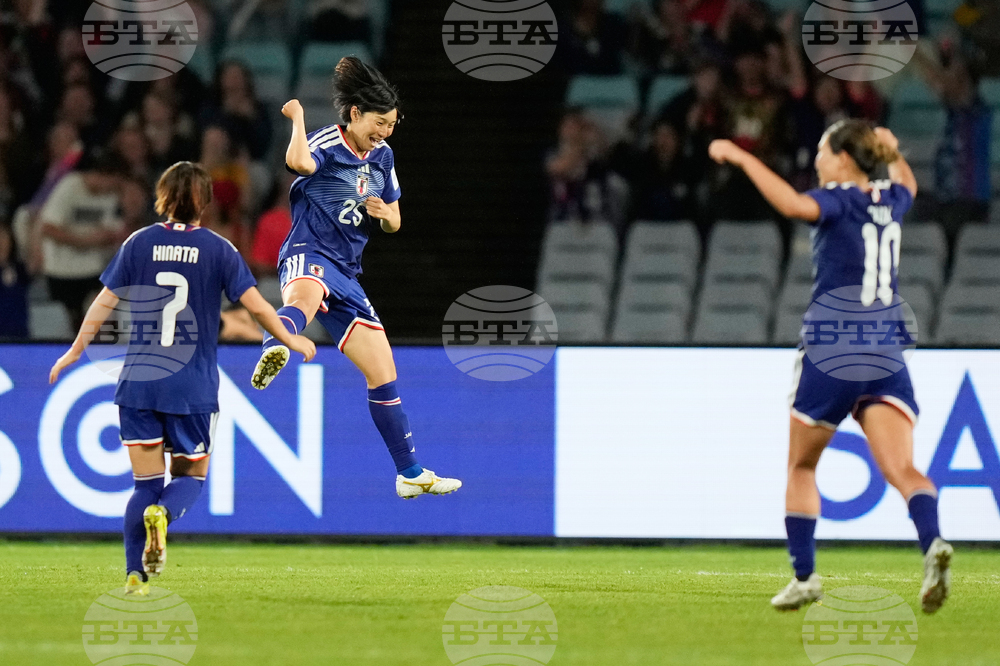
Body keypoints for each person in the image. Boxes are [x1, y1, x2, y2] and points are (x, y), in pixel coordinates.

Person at [707, 120, 953, 614]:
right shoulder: (890, 201)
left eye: (822, 149)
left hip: (833, 350)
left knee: (802, 465)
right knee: (902, 468)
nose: (816, 158)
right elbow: (908, 182)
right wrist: (893, 146)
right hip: (885, 350)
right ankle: (932, 543)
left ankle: (804, 576)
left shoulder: (838, 198)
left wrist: (742, 157)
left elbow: (796, 205)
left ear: (843, 158)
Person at [47, 161, 316, 596]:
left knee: (144, 485)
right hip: (190, 386)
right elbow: (258, 307)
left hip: (138, 383)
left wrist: (75, 350)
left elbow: (102, 304)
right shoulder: (219, 249)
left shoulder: (138, 243)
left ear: (162, 197)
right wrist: (290, 337)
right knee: (190, 478)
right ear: (205, 203)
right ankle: (164, 517)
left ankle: (135, 574)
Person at [255, 56, 462, 499]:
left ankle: (409, 473)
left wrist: (387, 214)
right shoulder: (328, 142)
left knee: (383, 370)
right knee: (306, 300)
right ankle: (277, 342)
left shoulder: (383, 156)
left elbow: (395, 221)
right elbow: (298, 162)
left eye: (391, 124)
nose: (385, 132)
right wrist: (297, 117)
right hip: (309, 251)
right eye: (379, 123)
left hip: (348, 270)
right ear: (354, 114)